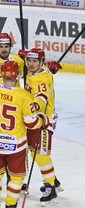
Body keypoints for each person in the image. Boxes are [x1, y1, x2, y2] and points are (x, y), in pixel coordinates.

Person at [0, 60, 49, 208]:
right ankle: (10, 205)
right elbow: (31, 123)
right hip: (16, 146)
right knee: (16, 178)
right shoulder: (24, 96)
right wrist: (42, 120)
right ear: (18, 76)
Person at [24, 48, 63, 206]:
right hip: (35, 119)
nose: (31, 64)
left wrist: (29, 108)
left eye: (35, 61)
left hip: (44, 121)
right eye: (29, 61)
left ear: (41, 62)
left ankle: (51, 189)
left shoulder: (43, 78)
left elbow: (41, 99)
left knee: (41, 155)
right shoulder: (34, 73)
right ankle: (53, 180)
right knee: (34, 152)